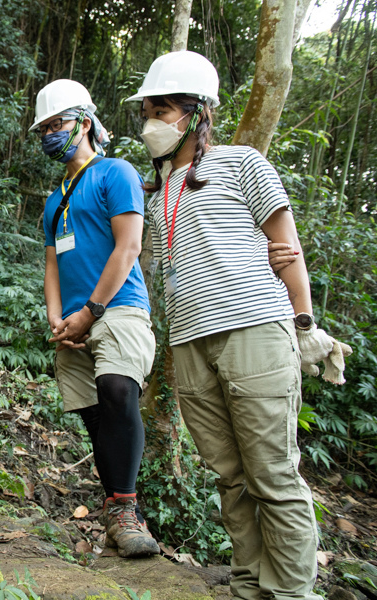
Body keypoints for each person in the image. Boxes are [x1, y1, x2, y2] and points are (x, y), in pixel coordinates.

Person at [127, 50, 352, 599]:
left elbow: (286, 246)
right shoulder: (155, 190)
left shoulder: (243, 161)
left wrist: (303, 325)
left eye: (164, 109)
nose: (153, 121)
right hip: (189, 341)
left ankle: (293, 592)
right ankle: (249, 586)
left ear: (197, 112)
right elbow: (148, 261)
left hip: (253, 327)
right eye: (148, 111)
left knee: (273, 474)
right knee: (231, 476)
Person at [32, 79, 159, 558]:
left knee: (119, 390)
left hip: (118, 307)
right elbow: (51, 264)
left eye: (56, 124)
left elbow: (129, 247)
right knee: (93, 415)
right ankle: (118, 510)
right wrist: (57, 318)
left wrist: (91, 311)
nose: (48, 134)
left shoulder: (115, 173)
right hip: (72, 320)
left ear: (84, 122)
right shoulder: (54, 198)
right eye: (42, 128)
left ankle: (125, 510)